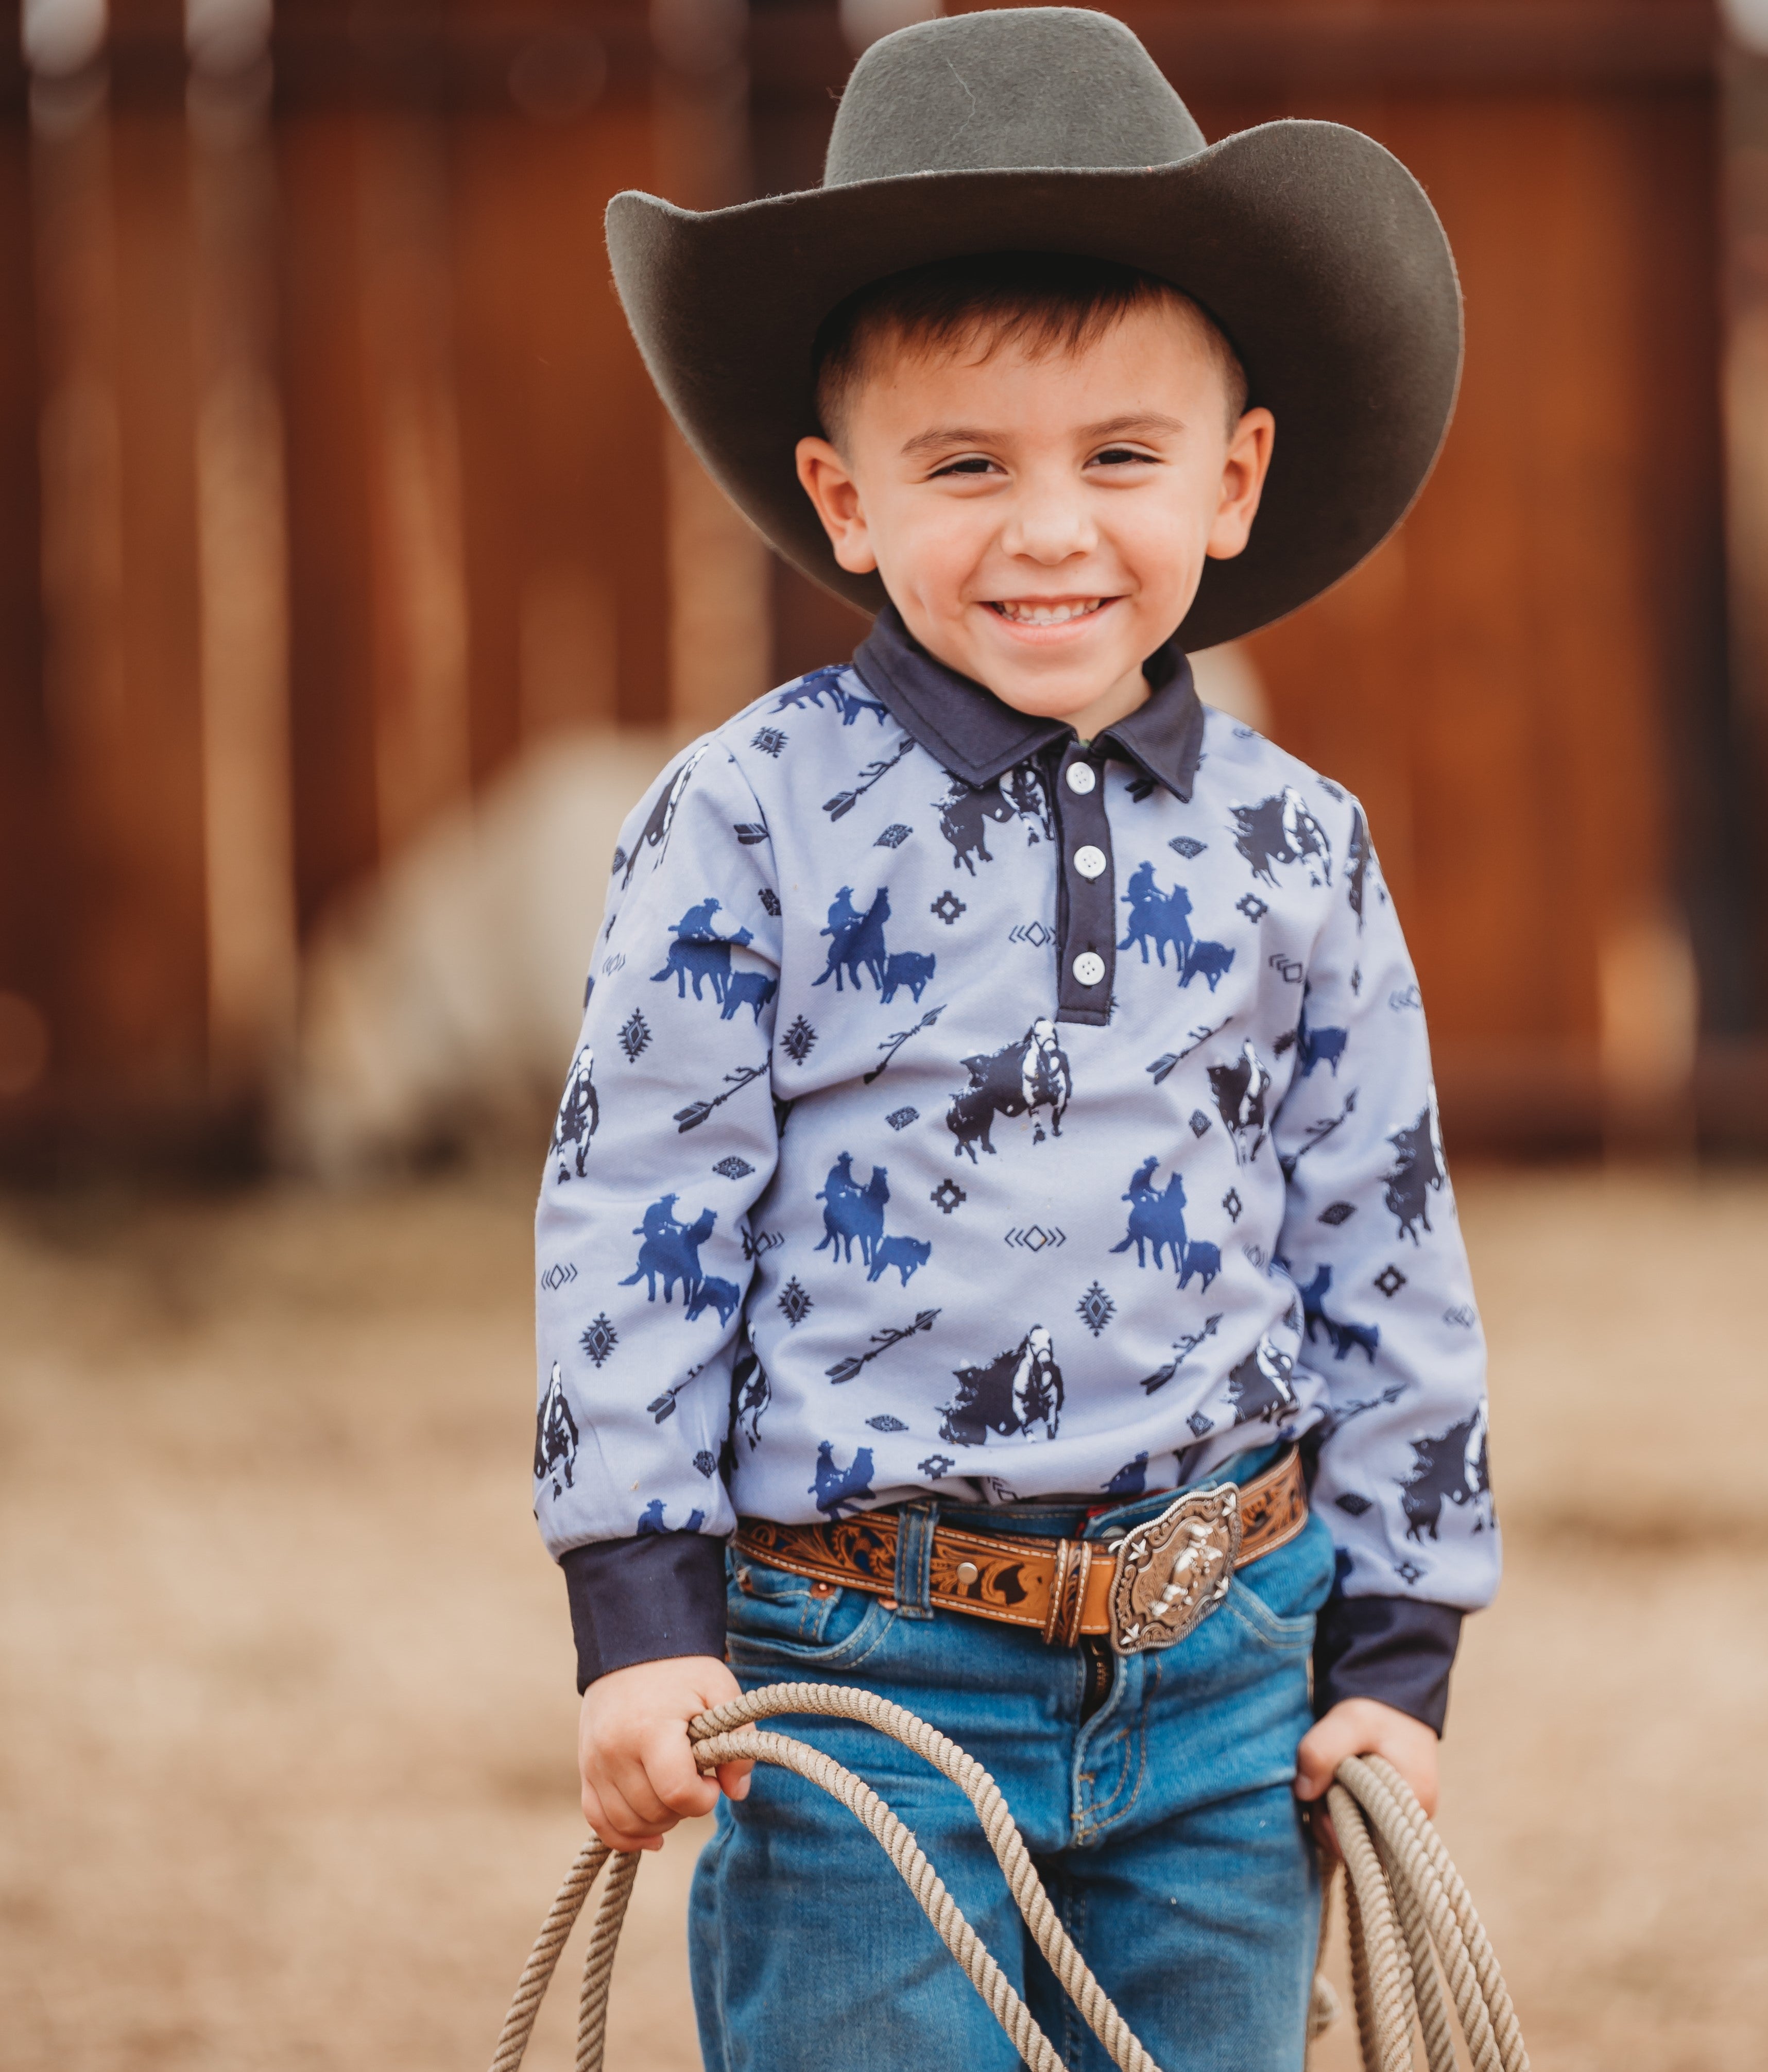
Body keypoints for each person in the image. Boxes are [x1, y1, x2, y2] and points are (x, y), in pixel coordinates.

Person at [534, 12, 1496, 2067]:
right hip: (854, 1665)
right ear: (844, 498)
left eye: (1117, 459)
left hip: (1224, 1659)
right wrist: (637, 1615)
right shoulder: (747, 820)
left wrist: (1396, 1651)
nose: (1048, 530)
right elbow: (640, 1211)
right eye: (966, 465)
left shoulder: (1293, 844)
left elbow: (1382, 1241)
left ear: (1231, 480)